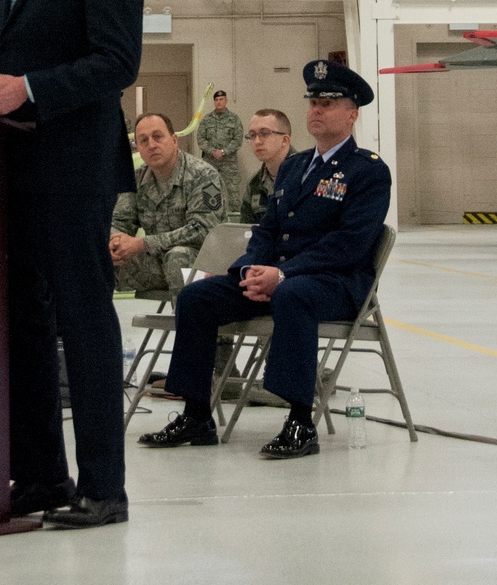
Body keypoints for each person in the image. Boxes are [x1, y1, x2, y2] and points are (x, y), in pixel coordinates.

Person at [0, 0, 144, 530]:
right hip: (17, 162)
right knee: (23, 321)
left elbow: (117, 62)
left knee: (83, 320)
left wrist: (30, 88)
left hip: (74, 166)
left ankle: (104, 486)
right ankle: (41, 473)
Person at [139, 60, 390, 459]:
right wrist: (250, 268)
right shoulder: (294, 166)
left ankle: (300, 422)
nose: (317, 109)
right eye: (313, 102)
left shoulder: (368, 171)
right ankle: (197, 414)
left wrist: (284, 272)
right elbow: (267, 229)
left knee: (292, 295)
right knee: (196, 298)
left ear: (352, 113)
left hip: (335, 283)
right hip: (279, 276)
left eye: (328, 102)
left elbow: (351, 244)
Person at [110, 113, 225, 300]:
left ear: (174, 140)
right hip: (157, 262)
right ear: (137, 147)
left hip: (203, 263)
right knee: (96, 259)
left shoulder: (203, 175)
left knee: (177, 257)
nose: (151, 145)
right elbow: (120, 221)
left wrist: (143, 243)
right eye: (144, 140)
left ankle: (189, 327)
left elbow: (203, 230)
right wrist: (113, 244)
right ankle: (91, 327)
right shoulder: (136, 179)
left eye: (158, 136)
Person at [240, 109, 296, 225]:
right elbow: (245, 231)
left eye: (264, 133)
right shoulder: (254, 183)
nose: (257, 141)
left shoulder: (308, 174)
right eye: (252, 135)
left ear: (284, 140)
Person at [196, 91, 244, 216]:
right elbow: (201, 139)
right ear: (214, 102)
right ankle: (210, 218)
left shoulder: (234, 119)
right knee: (210, 189)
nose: (219, 102)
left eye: (221, 99)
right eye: (217, 100)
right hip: (211, 161)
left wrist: (224, 151)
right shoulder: (207, 120)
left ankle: (236, 220)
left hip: (229, 162)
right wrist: (212, 151)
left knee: (233, 192)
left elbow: (238, 139)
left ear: (226, 101)